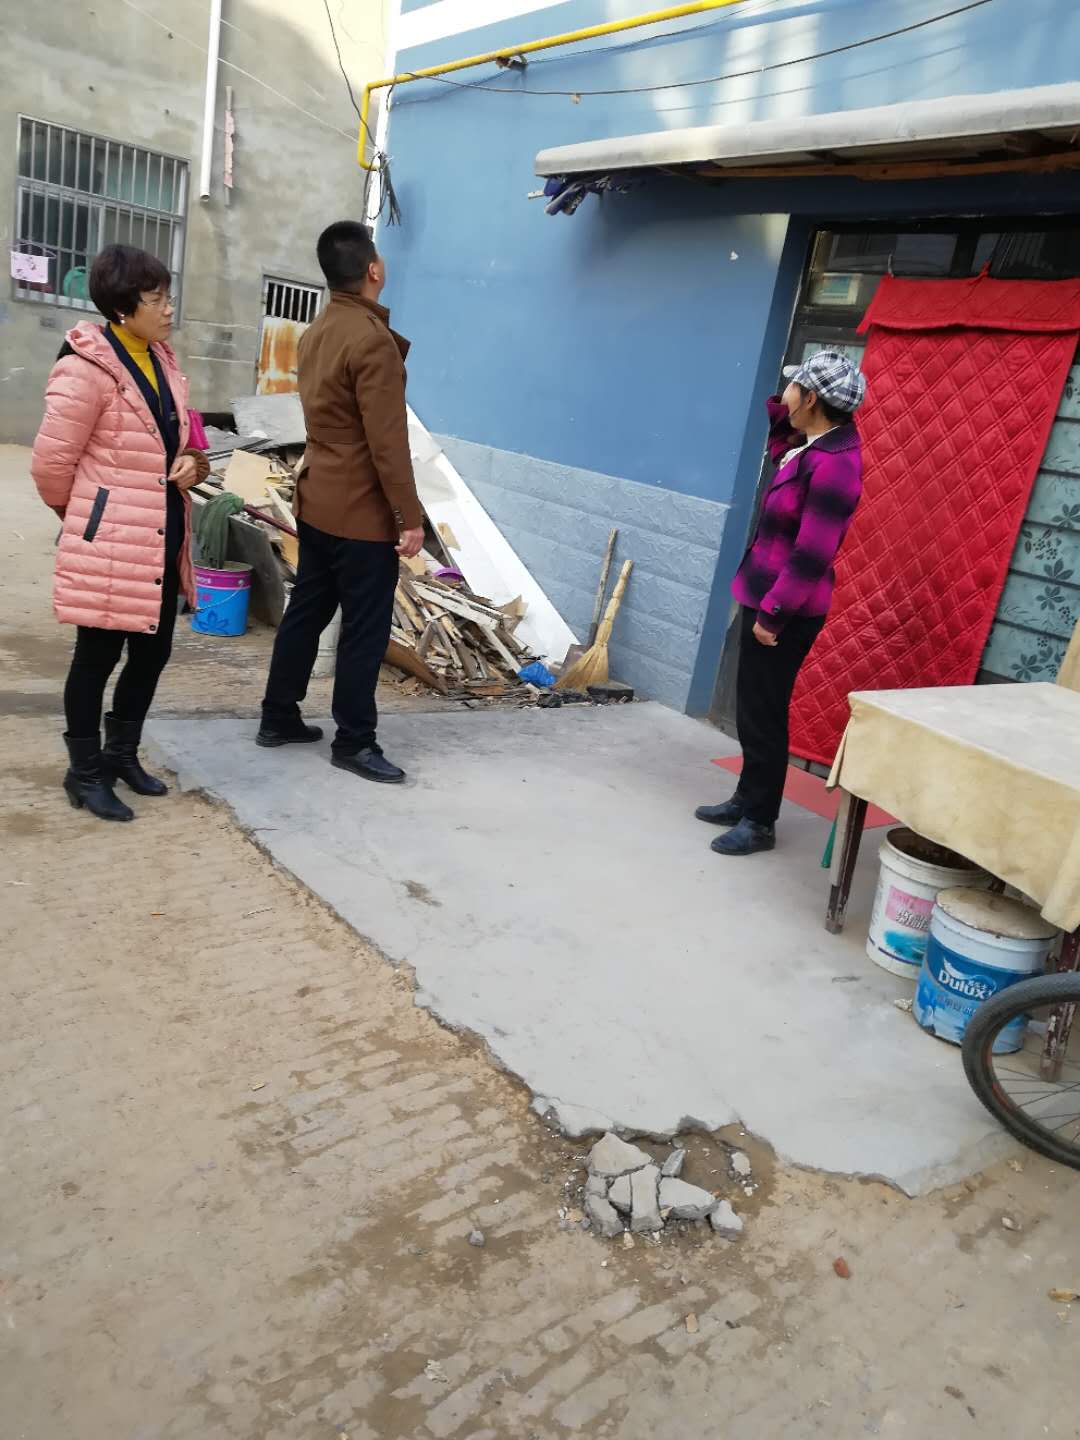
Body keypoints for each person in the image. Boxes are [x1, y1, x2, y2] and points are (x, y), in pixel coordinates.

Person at [31, 243, 209, 823]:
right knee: (96, 658)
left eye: (167, 295)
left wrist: (194, 464)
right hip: (112, 542)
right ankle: (84, 774)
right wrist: (89, 517)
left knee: (152, 652)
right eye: (157, 299)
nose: (169, 307)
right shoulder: (84, 370)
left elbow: (186, 441)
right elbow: (50, 466)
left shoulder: (164, 361)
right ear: (122, 309)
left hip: (163, 533)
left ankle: (120, 755)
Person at [256, 221, 424, 783]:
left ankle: (278, 715)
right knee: (365, 629)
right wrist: (409, 517)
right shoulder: (372, 340)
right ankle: (354, 741)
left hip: (318, 496)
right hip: (360, 510)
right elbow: (387, 443)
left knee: (307, 610)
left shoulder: (318, 330)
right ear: (374, 269)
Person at [697, 350, 866, 857]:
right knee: (751, 707)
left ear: (811, 399)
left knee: (764, 713)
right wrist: (782, 408)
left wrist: (774, 613)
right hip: (764, 593)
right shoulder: (809, 446)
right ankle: (746, 798)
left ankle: (759, 821)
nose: (785, 392)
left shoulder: (835, 466)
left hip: (785, 609)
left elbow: (813, 553)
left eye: (794, 387)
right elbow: (778, 447)